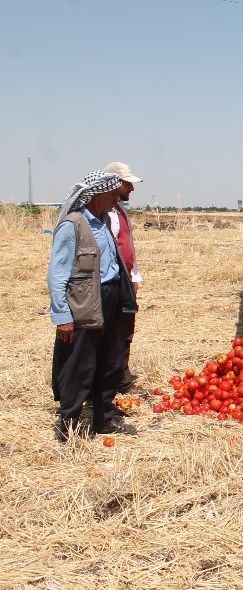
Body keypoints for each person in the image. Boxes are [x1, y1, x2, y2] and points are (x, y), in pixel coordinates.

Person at [49, 170, 139, 440]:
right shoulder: (73, 225)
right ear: (98, 194)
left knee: (111, 361)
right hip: (86, 300)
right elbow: (57, 273)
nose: (117, 199)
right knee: (81, 362)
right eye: (113, 194)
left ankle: (105, 420)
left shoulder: (103, 222)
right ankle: (71, 425)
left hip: (112, 296)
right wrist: (62, 315)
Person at [103, 161, 143, 393]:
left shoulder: (120, 210)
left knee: (125, 329)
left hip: (125, 280)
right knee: (113, 331)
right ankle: (112, 381)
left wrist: (134, 275)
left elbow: (128, 245)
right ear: (114, 183)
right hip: (112, 282)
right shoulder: (103, 212)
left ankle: (121, 376)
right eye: (127, 184)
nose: (132, 189)